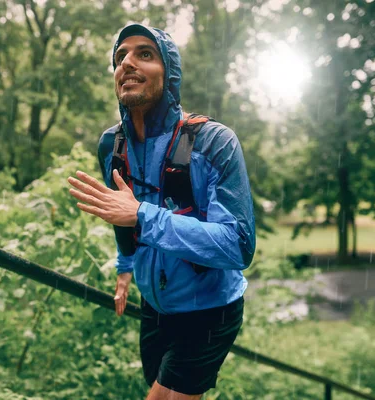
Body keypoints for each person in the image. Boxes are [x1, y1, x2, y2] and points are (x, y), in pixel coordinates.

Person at [68, 23, 256, 400]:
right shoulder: (112, 144)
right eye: (120, 57)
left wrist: (143, 215)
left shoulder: (211, 141)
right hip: (154, 305)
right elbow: (121, 216)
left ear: (169, 74)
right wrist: (125, 269)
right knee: (161, 386)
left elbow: (238, 246)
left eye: (145, 54)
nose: (128, 63)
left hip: (210, 307)